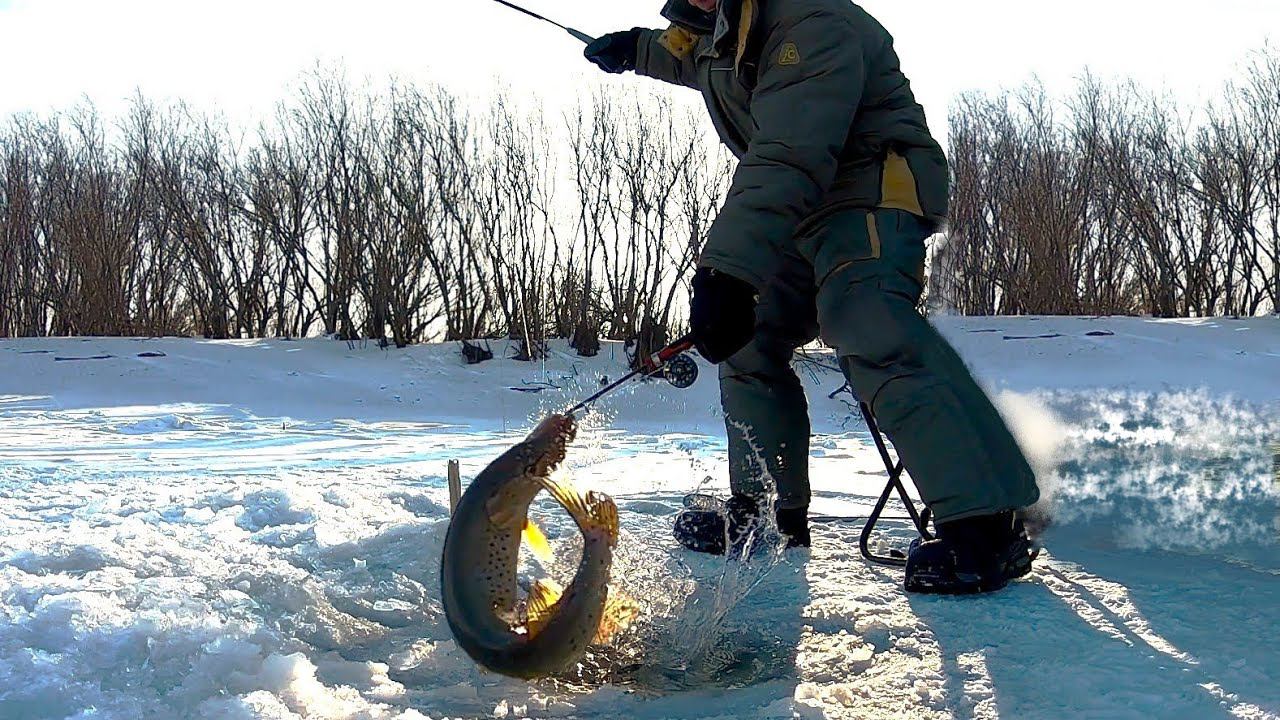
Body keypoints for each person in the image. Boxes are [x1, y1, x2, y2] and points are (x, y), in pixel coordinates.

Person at [584, 0, 1040, 594]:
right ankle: (768, 512)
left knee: (865, 318)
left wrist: (725, 272)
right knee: (745, 340)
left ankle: (986, 521)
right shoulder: (722, 28)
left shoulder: (811, 24)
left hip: (871, 189)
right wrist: (634, 49)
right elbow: (698, 59)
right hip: (804, 207)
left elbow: (789, 154)